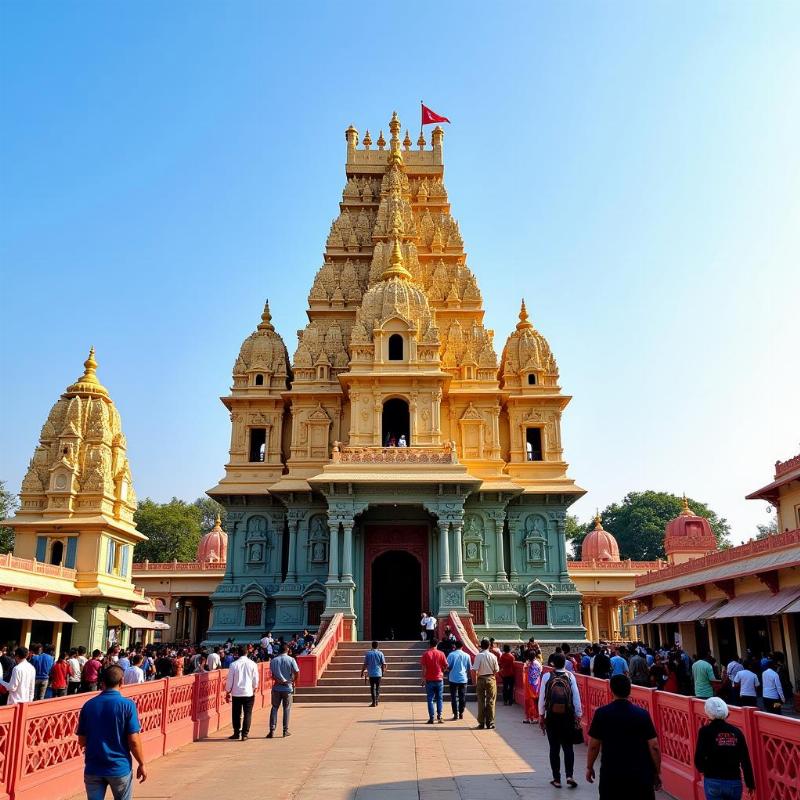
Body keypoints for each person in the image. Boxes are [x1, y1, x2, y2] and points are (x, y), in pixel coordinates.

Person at [77, 664, 146, 800]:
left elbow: (82, 741)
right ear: (122, 682)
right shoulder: (127, 705)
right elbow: (133, 740)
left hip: (93, 766)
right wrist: (141, 763)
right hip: (119, 767)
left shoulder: (89, 705)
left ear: (102, 683)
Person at [587, 674, 661, 799]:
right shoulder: (642, 715)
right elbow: (654, 746)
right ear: (629, 690)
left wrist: (590, 767)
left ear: (612, 690)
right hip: (640, 775)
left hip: (611, 774)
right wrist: (657, 771)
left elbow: (594, 746)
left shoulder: (602, 714)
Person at [694, 696, 755, 799]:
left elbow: (698, 759)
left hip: (713, 779)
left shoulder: (705, 731)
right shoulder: (737, 732)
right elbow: (745, 760)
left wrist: (705, 770)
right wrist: (750, 783)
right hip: (733, 780)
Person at [539, 652, 582, 789]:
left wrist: (541, 715)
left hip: (552, 716)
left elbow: (542, 698)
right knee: (568, 747)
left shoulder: (547, 676)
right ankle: (569, 776)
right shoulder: (570, 676)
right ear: (565, 664)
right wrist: (578, 714)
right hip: (567, 716)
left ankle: (556, 779)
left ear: (552, 664)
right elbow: (576, 696)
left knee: (554, 748)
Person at [224, 645, 259, 741]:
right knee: (248, 713)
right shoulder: (253, 664)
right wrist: (255, 687)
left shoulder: (233, 665)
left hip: (236, 692)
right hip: (248, 692)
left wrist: (228, 691)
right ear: (247, 652)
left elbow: (230, 680)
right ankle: (245, 734)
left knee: (236, 713)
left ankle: (236, 732)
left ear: (237, 654)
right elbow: (255, 679)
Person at [268, 642, 300, 738]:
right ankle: (285, 730)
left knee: (274, 708)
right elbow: (297, 672)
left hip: (277, 687)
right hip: (287, 687)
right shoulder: (291, 659)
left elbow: (272, 675)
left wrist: (279, 680)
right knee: (286, 709)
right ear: (287, 650)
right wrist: (293, 681)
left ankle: (272, 730)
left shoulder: (273, 661)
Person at [473, 637, 500, 730]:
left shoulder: (478, 656)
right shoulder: (493, 656)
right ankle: (490, 722)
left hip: (481, 678)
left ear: (481, 646)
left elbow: (475, 669)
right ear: (489, 646)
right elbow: (496, 670)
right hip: (490, 678)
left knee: (481, 701)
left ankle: (481, 723)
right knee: (491, 701)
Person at [420, 638, 448, 724]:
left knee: (430, 699)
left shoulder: (425, 654)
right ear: (437, 645)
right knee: (439, 698)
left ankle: (431, 717)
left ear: (429, 644)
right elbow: (446, 666)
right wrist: (442, 671)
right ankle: (439, 716)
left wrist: (423, 678)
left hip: (429, 679)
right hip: (439, 679)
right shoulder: (441, 653)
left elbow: (424, 668)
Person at [445, 640, 471, 720]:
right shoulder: (467, 655)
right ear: (462, 646)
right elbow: (469, 667)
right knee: (462, 696)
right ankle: (461, 712)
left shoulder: (451, 655)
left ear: (455, 646)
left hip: (453, 678)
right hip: (463, 678)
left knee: (453, 697)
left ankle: (455, 714)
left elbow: (448, 666)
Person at [361, 640, 387, 707]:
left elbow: (365, 664)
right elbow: (384, 664)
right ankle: (377, 701)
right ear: (377, 646)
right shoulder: (380, 653)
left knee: (372, 688)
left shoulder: (368, 653)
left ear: (372, 646)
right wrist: (383, 671)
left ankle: (373, 702)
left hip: (371, 673)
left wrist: (362, 672)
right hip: (378, 673)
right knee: (377, 688)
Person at [523, 649, 543, 723]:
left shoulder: (526, 664)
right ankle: (535, 717)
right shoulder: (538, 664)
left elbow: (524, 673)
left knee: (528, 701)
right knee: (535, 701)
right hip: (535, 685)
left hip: (528, 686)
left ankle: (528, 717)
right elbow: (540, 672)